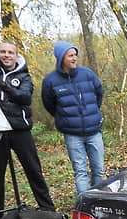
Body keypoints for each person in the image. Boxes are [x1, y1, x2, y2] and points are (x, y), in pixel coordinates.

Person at [0, 41, 56, 219]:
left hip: (19, 129)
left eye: (10, 52)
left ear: (17, 56)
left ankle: (47, 208)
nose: (7, 55)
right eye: (3, 52)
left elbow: (24, 97)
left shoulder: (24, 76)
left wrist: (4, 86)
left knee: (33, 169)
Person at [41, 41, 104, 195]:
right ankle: (85, 204)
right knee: (80, 171)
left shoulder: (87, 74)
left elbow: (99, 94)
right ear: (61, 57)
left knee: (99, 169)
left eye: (75, 55)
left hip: (94, 132)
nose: (75, 58)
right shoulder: (50, 81)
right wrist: (64, 119)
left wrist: (93, 114)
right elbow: (49, 104)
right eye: (71, 55)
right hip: (72, 134)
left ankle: (98, 199)